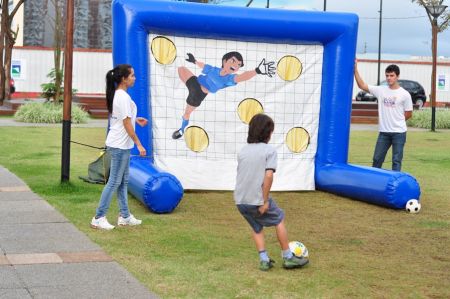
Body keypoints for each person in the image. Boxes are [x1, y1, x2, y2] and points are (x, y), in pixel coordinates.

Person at [234, 113, 309, 271]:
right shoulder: (269, 150)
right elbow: (268, 175)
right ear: (267, 133)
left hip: (240, 200)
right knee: (279, 218)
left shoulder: (243, 151)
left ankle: (264, 260)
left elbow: (242, 175)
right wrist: (265, 200)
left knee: (256, 227)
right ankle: (288, 257)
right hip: (257, 199)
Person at [90, 64, 148, 230]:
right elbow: (125, 122)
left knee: (123, 181)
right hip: (119, 146)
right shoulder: (121, 96)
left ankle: (124, 216)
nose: (134, 78)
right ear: (124, 79)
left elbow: (124, 118)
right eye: (132, 75)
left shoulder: (122, 96)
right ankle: (98, 217)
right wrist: (138, 143)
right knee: (114, 181)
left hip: (122, 145)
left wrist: (137, 119)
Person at [172, 52, 275, 139]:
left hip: (197, 95)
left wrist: (257, 70)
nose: (235, 65)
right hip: (194, 82)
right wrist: (194, 61)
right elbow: (204, 66)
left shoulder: (229, 79)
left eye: (238, 65)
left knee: (187, 113)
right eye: (233, 61)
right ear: (224, 61)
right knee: (181, 68)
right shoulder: (214, 69)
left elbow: (243, 77)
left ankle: (181, 130)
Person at [354, 61, 413, 171]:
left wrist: (398, 121)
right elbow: (361, 85)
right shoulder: (380, 90)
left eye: (392, 75)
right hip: (384, 133)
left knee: (396, 161)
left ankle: (395, 187)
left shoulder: (405, 94)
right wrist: (355, 70)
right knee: (377, 159)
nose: (389, 78)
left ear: (397, 76)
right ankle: (374, 185)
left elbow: (409, 113)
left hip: (399, 133)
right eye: (387, 75)